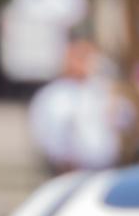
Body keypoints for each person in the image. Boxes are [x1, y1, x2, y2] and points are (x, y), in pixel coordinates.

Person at [27, 27, 132, 173]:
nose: (85, 61)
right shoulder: (53, 96)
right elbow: (47, 137)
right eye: (80, 56)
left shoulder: (101, 89)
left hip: (107, 169)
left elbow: (126, 120)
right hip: (70, 172)